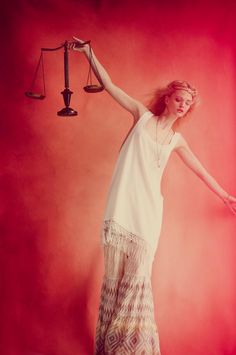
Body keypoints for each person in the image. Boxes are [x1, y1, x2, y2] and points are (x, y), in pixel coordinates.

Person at [70, 37, 236, 355]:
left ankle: (131, 350)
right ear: (168, 99)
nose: (183, 105)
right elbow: (108, 85)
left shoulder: (176, 140)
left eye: (188, 102)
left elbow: (201, 173)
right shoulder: (142, 117)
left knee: (136, 282)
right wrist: (89, 52)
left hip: (147, 217)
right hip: (121, 210)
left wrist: (226, 195)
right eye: (179, 99)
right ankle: (108, 348)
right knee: (115, 280)